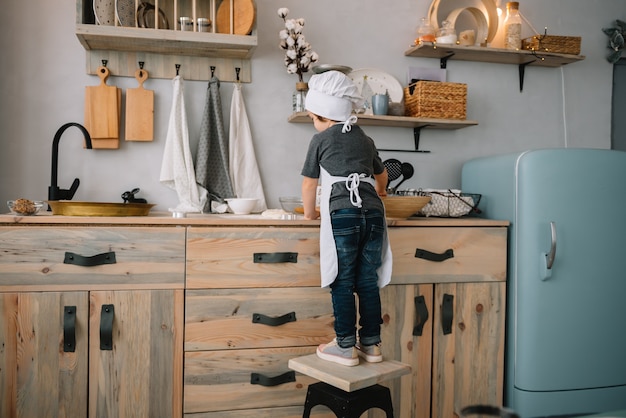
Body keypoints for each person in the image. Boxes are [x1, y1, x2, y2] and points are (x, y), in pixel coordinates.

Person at [300, 70, 393, 367]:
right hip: (374, 212)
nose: (314, 123)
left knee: (342, 280)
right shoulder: (365, 139)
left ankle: (344, 346)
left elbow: (308, 184)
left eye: (314, 116)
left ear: (324, 117)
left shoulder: (320, 139)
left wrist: (310, 213)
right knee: (367, 279)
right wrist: (381, 192)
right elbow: (382, 175)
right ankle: (371, 344)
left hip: (343, 212)